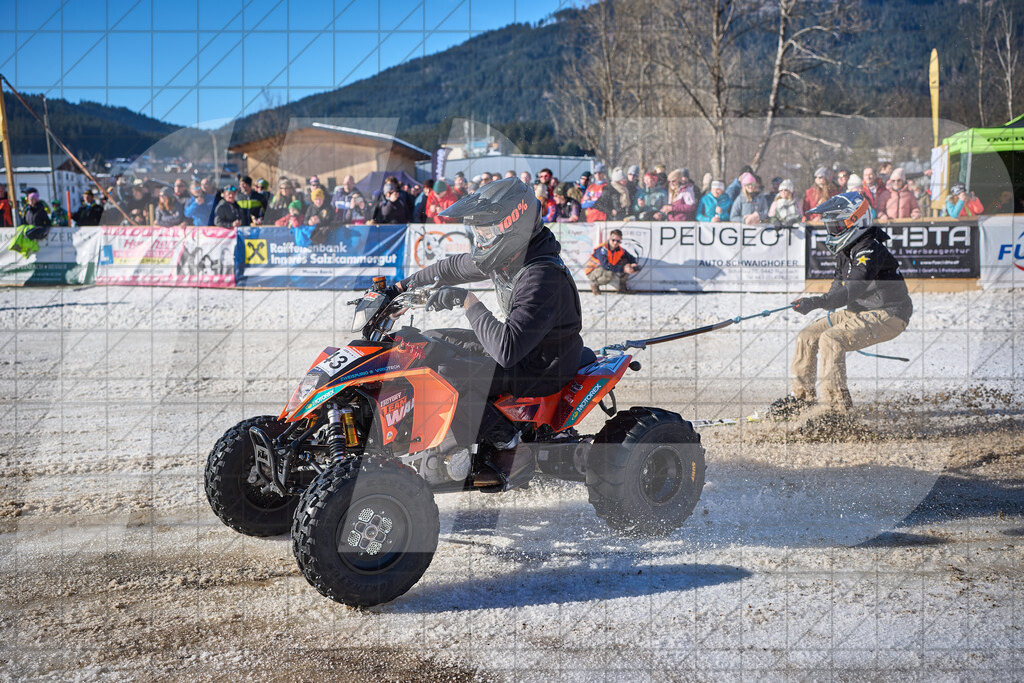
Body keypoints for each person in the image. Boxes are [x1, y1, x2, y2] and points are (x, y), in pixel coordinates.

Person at [388, 178, 584, 488]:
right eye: (478, 232)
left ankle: (511, 447)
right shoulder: (511, 255)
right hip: (522, 345)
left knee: (446, 375)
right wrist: (400, 288)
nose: (481, 240)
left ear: (512, 226)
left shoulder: (540, 276)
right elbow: (451, 267)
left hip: (543, 365)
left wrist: (467, 300)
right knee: (428, 342)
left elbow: (506, 350)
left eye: (487, 233)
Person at [770, 191, 913, 418]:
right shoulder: (845, 250)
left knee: (831, 339)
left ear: (855, 221)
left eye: (836, 226)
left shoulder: (869, 249)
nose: (832, 230)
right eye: (830, 226)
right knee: (807, 335)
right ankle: (802, 398)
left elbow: (852, 289)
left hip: (889, 313)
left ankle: (836, 410)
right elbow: (837, 289)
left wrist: (817, 302)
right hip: (859, 312)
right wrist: (820, 301)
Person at [585, 229, 639, 294]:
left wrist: (633, 264)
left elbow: (631, 258)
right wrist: (624, 269)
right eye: (613, 240)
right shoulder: (602, 249)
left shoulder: (620, 250)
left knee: (626, 264)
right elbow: (605, 266)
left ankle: (622, 288)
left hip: (604, 269)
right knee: (610, 273)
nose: (615, 243)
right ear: (609, 238)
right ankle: (594, 284)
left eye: (618, 241)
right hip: (592, 271)